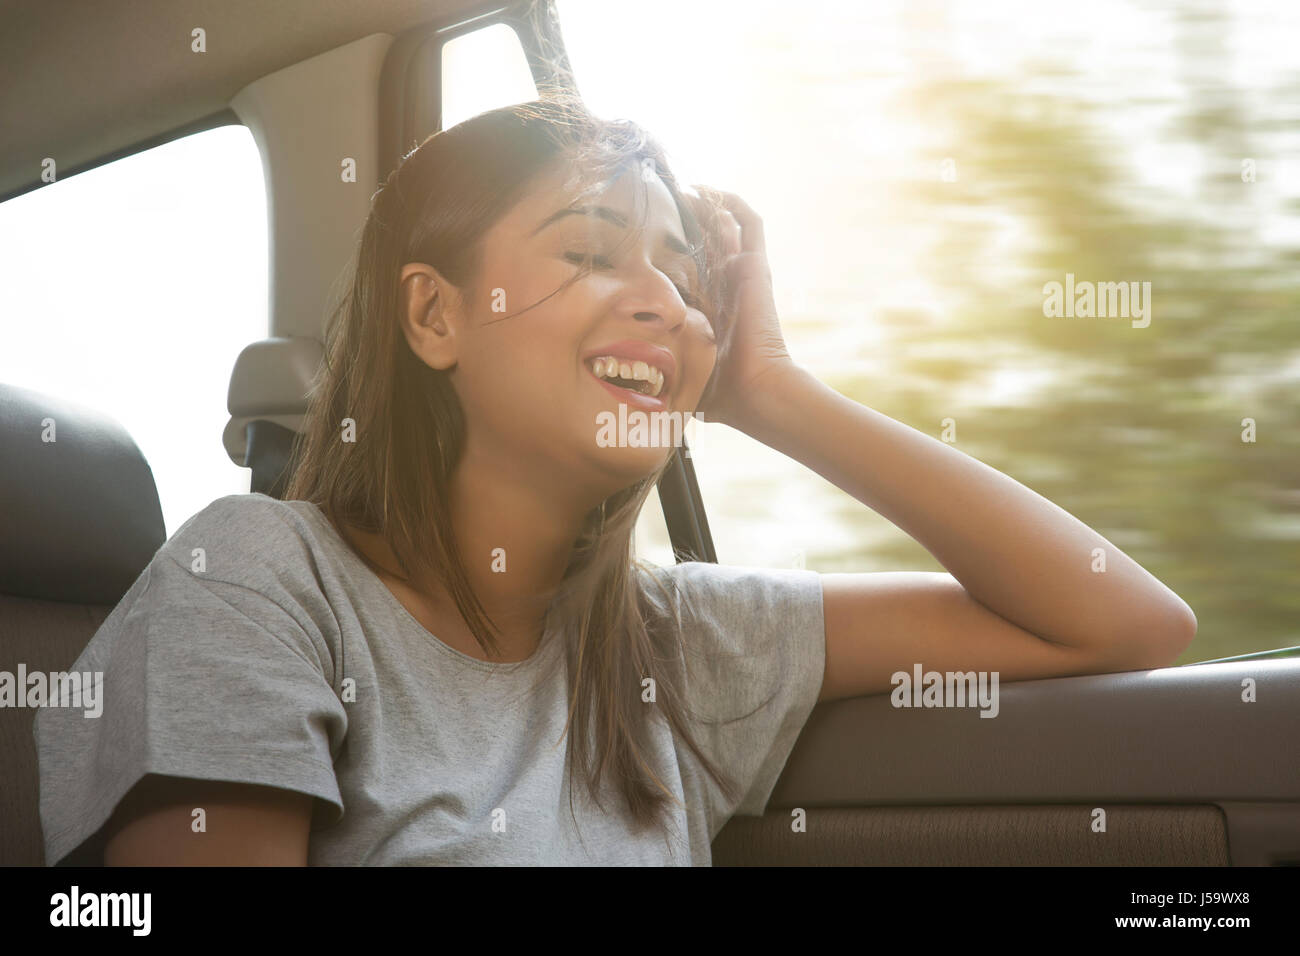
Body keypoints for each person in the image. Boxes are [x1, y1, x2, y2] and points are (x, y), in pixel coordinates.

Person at [34, 94, 1195, 866]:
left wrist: (773, 388)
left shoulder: (675, 644)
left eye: (684, 281)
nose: (660, 302)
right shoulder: (254, 577)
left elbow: (1125, 616)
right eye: (588, 252)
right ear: (438, 315)